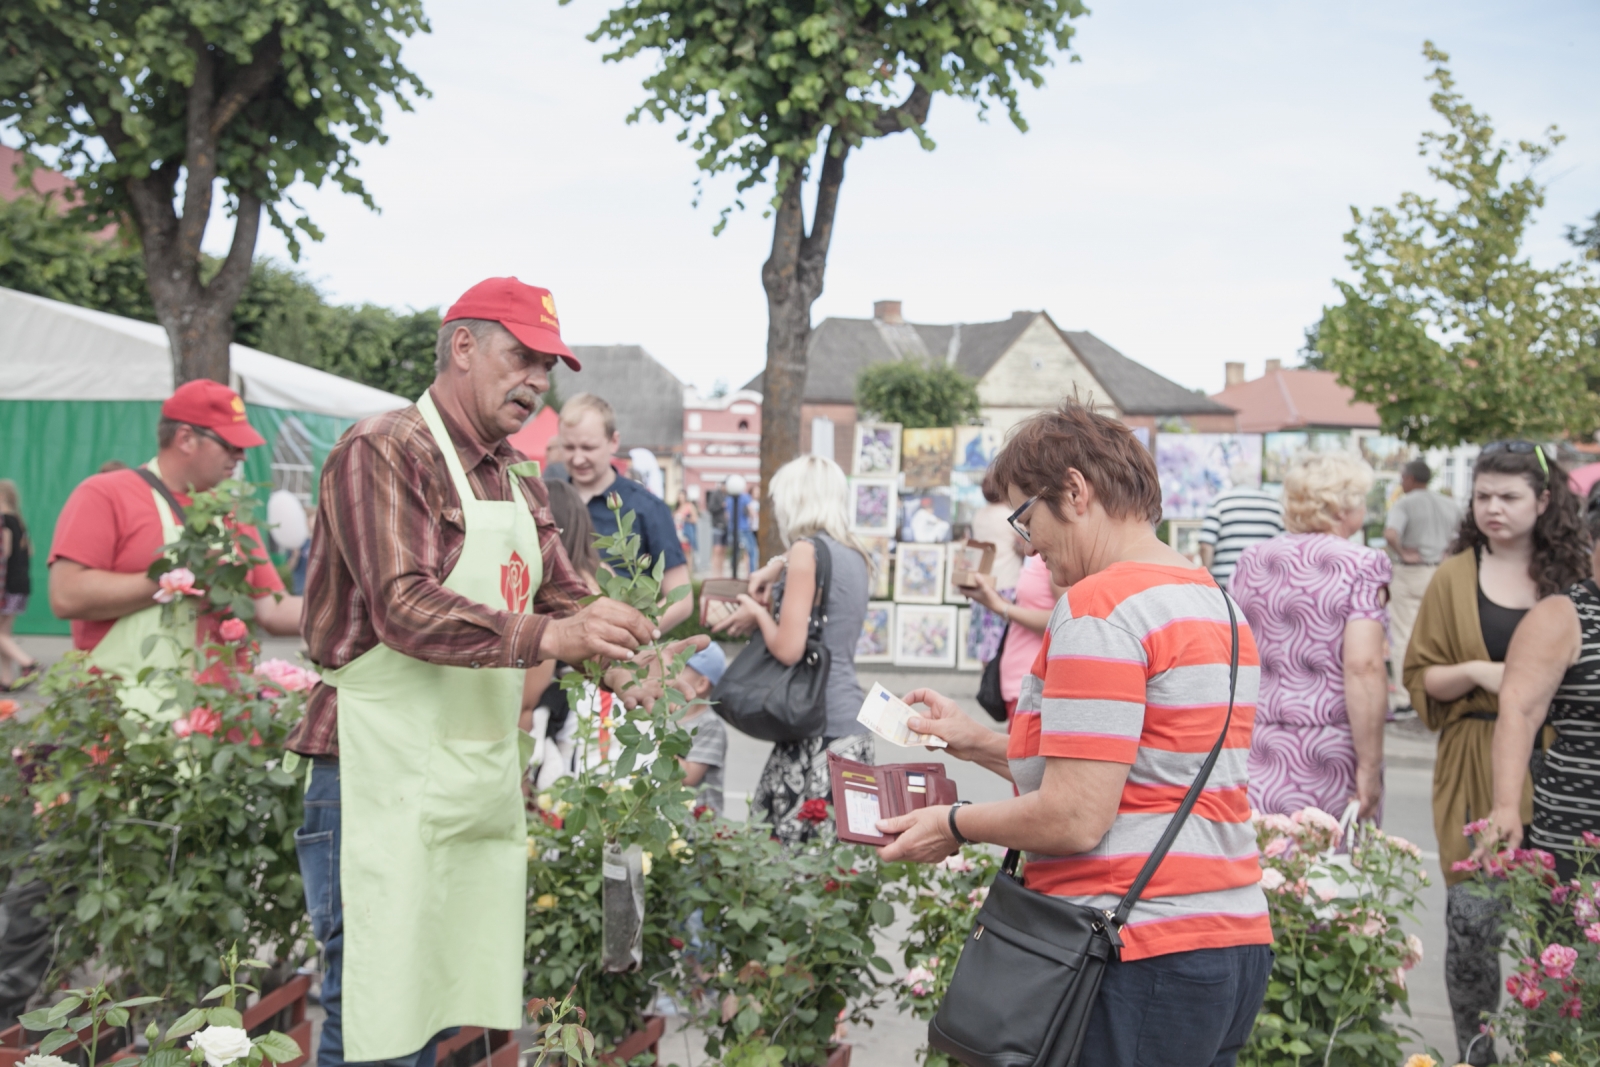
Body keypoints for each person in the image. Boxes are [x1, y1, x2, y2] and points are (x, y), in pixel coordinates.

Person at [285, 277, 705, 1067]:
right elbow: (403, 606)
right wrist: (558, 632)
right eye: (524, 358)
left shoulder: (512, 474)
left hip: (463, 772)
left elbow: (564, 586)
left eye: (548, 367)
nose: (537, 382)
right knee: (375, 1006)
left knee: (439, 1002)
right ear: (464, 347)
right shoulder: (383, 448)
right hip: (371, 769)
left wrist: (623, 655)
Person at [876, 401, 1272, 1067]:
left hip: (1130, 946)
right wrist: (972, 740)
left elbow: (1076, 812)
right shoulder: (1214, 600)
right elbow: (1135, 767)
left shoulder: (1100, 605)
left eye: (1025, 517)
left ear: (1075, 491)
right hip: (1228, 941)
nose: (1027, 543)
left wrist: (955, 821)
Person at [1403, 441, 1589, 1066]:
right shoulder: (1454, 575)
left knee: (1560, 931)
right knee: (1474, 928)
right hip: (1474, 756)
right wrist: (1483, 671)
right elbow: (1420, 677)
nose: (1493, 509)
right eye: (1482, 496)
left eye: (1508, 497)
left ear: (1543, 500)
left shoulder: (1572, 578)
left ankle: (1552, 1054)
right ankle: (1474, 1055)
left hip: (1559, 766)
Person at [49, 380, 303, 713]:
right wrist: (177, 578)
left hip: (220, 717)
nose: (240, 456)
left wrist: (362, 606)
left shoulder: (231, 512)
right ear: (185, 438)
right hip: (124, 719)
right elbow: (66, 596)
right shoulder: (106, 494)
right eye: (229, 444)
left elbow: (273, 611)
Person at [712, 455, 872, 845]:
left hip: (815, 730)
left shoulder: (804, 551)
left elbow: (788, 649)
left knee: (779, 861)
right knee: (835, 869)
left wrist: (755, 612)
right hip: (850, 727)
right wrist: (776, 567)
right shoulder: (855, 553)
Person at [1230, 452, 1391, 821]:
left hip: (1258, 743)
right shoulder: (1364, 565)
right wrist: (1369, 766)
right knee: (1330, 866)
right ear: (1341, 507)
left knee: (1269, 864)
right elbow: (1363, 666)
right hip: (1329, 748)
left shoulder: (1252, 560)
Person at [1485, 494, 1600, 881]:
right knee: (1572, 939)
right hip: (1579, 830)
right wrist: (1505, 806)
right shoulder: (1561, 616)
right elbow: (1519, 712)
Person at [560, 393, 692, 632]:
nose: (578, 458)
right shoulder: (549, 500)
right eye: (569, 447)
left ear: (614, 441)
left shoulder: (647, 508)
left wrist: (632, 636)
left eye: (588, 447)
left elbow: (681, 599)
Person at [1385, 459, 1461, 714]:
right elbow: (1463, 534)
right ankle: (1439, 692)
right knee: (1439, 634)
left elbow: (1391, 533)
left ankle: (1406, 698)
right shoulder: (1449, 504)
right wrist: (1448, 553)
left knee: (1404, 634)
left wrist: (1403, 553)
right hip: (1440, 573)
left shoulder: (1405, 503)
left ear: (1409, 479)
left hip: (1410, 573)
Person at [672, 644, 729, 815]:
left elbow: (689, 776)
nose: (668, 673)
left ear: (701, 684)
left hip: (697, 826)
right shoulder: (665, 717)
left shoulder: (710, 725)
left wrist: (656, 743)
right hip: (668, 819)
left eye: (679, 668)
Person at [1198, 482, 1285, 590]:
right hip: (1265, 583)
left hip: (1225, 582)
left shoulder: (1220, 502)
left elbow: (1206, 545)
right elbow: (1284, 544)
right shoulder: (1274, 504)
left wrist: (1208, 578)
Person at [0, 482, 40, 692]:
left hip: (7, 585)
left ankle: (28, 663)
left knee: (1, 635)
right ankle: (6, 679)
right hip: (21, 584)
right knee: (4, 633)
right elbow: (29, 551)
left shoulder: (4, 521)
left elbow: (3, 553)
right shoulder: (18, 521)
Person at [674, 491, 700, 565]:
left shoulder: (689, 506)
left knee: (687, 554)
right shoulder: (677, 508)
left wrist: (685, 518)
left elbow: (695, 519)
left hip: (686, 533)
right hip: (677, 533)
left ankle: (689, 572)